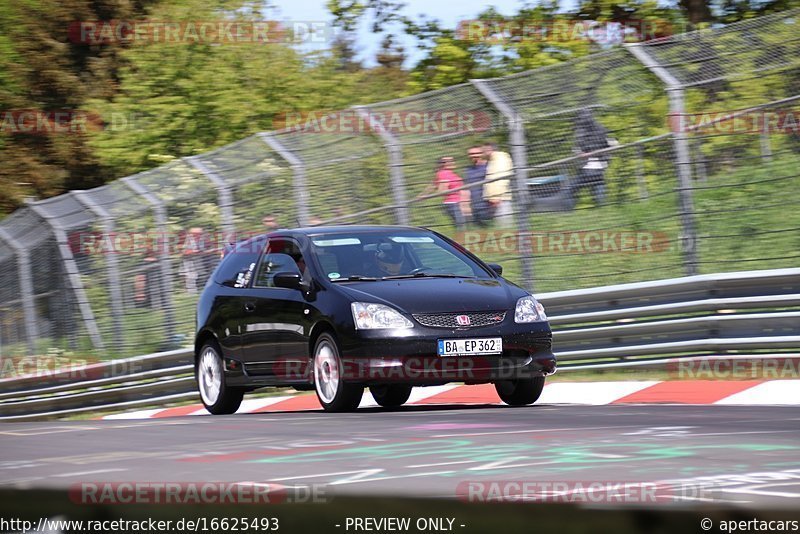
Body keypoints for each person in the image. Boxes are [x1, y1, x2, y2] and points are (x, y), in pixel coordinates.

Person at [567, 109, 615, 207]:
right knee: (598, 187)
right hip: (597, 166)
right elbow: (613, 143)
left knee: (570, 190)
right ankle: (602, 209)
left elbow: (576, 148)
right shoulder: (601, 129)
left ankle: (567, 209)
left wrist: (581, 153)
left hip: (590, 167)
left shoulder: (582, 131)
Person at [418, 156, 465, 230]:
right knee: (461, 227)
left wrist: (422, 195)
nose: (452, 162)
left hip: (456, 203)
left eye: (452, 160)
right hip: (453, 203)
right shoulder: (444, 173)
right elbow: (441, 189)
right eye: (449, 161)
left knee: (461, 225)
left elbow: (433, 185)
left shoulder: (449, 173)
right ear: (443, 164)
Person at [482, 143, 514, 227]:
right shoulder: (493, 160)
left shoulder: (500, 159)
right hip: (495, 198)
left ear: (489, 149)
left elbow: (501, 178)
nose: (482, 153)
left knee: (504, 226)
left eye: (483, 151)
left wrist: (496, 197)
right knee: (499, 226)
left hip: (499, 199)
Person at [464, 146, 489, 226]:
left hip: (487, 204)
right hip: (474, 205)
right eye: (471, 154)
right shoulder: (468, 170)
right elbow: (466, 187)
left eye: (477, 153)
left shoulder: (489, 167)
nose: (474, 155)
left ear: (483, 154)